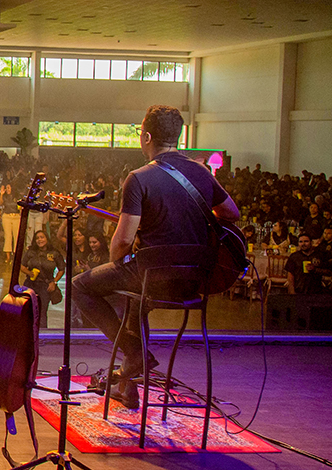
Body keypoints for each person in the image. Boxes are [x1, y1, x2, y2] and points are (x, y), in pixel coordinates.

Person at [71, 105, 240, 410]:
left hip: (152, 278)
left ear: (147, 136)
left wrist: (124, 258)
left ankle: (135, 352)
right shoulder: (201, 172)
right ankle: (125, 387)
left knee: (81, 286)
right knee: (137, 300)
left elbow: (121, 243)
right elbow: (232, 213)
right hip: (192, 282)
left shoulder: (139, 178)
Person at [21, 230, 64, 328]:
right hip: (30, 284)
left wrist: (54, 282)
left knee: (42, 311)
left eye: (42, 237)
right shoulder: (31, 252)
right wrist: (29, 273)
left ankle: (42, 335)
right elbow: (22, 266)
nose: (40, 240)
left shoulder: (54, 253)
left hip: (45, 286)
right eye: (37, 238)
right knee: (28, 310)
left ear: (47, 239)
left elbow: (61, 269)